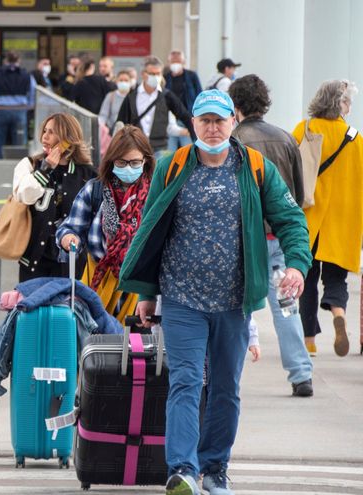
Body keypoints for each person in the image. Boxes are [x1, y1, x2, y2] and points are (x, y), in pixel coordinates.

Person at [120, 89, 311, 495]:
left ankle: (215, 468)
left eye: (219, 120)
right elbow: (152, 233)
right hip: (181, 298)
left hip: (234, 301)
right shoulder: (172, 167)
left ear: (232, 122)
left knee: (225, 388)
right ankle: (183, 470)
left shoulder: (255, 168)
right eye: (204, 120)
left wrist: (296, 263)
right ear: (192, 125)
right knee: (185, 382)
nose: (211, 128)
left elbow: (292, 218)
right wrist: (146, 292)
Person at [230, 75, 313, 396]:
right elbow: (300, 192)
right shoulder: (284, 138)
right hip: (276, 239)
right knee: (286, 305)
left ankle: (228, 376)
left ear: (235, 106)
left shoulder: (234, 140)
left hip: (243, 241)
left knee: (236, 310)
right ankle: (301, 374)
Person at [292, 80, 363, 358]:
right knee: (336, 279)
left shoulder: (305, 129)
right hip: (342, 220)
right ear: (340, 104)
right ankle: (338, 312)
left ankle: (309, 340)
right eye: (348, 102)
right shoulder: (356, 138)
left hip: (309, 216)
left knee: (306, 280)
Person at [56, 125, 154, 322]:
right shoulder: (95, 190)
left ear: (146, 161)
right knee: (94, 343)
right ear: (111, 161)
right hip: (97, 283)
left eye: (135, 162)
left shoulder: (156, 193)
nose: (128, 168)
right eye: (122, 162)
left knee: (136, 347)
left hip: (140, 288)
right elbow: (70, 227)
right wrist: (69, 238)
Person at [11, 113, 96, 281]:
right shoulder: (30, 165)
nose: (45, 137)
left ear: (67, 138)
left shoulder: (87, 174)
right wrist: (45, 169)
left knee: (67, 307)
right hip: (35, 259)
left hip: (71, 262)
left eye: (52, 132)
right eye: (44, 131)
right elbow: (24, 196)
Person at [116, 56, 195, 154]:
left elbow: (185, 116)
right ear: (143, 74)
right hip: (136, 148)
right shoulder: (131, 97)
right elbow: (121, 122)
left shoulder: (167, 96)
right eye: (152, 74)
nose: (155, 77)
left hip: (160, 148)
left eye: (158, 74)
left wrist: (196, 141)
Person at [0, 51, 36, 160]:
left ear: (5, 61)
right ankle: (19, 163)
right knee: (20, 138)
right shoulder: (26, 74)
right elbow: (33, 92)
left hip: (1, 109)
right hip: (20, 109)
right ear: (19, 61)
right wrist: (29, 106)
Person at [164, 50, 203, 115]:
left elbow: (199, 94)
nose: (176, 64)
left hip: (189, 113)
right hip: (170, 114)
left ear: (183, 62)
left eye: (178, 61)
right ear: (169, 62)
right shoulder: (165, 78)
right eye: (173, 62)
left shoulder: (192, 76)